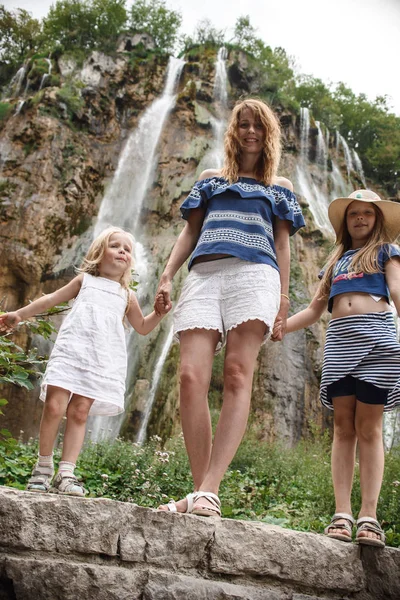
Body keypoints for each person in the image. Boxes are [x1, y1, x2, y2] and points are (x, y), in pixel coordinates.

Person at [155, 98, 305, 517]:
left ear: (268, 132)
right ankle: (202, 489)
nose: (250, 131)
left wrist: (283, 300)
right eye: (243, 124)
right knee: (189, 377)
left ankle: (209, 489)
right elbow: (190, 232)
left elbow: (282, 244)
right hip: (205, 273)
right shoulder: (211, 179)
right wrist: (167, 274)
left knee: (238, 373)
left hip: (256, 275)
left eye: (258, 125)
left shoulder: (281, 187)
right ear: (233, 131)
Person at [0, 227, 168, 496]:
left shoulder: (127, 295)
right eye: (115, 246)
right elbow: (51, 299)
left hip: (101, 360)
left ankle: (66, 473)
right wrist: (19, 314)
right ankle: (43, 468)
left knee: (79, 412)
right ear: (99, 253)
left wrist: (158, 313)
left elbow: (143, 327)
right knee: (54, 407)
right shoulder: (84, 281)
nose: (122, 251)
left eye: (127, 249)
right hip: (72, 351)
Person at [276, 189, 400, 547]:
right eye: (353, 214)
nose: (360, 218)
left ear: (378, 220)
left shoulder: (386, 252)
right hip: (340, 342)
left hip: (377, 340)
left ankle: (369, 517)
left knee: (370, 429)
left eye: (367, 213)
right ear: (345, 222)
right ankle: (342, 514)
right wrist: (282, 325)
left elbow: (397, 291)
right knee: (343, 429)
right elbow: (315, 310)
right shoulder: (335, 261)